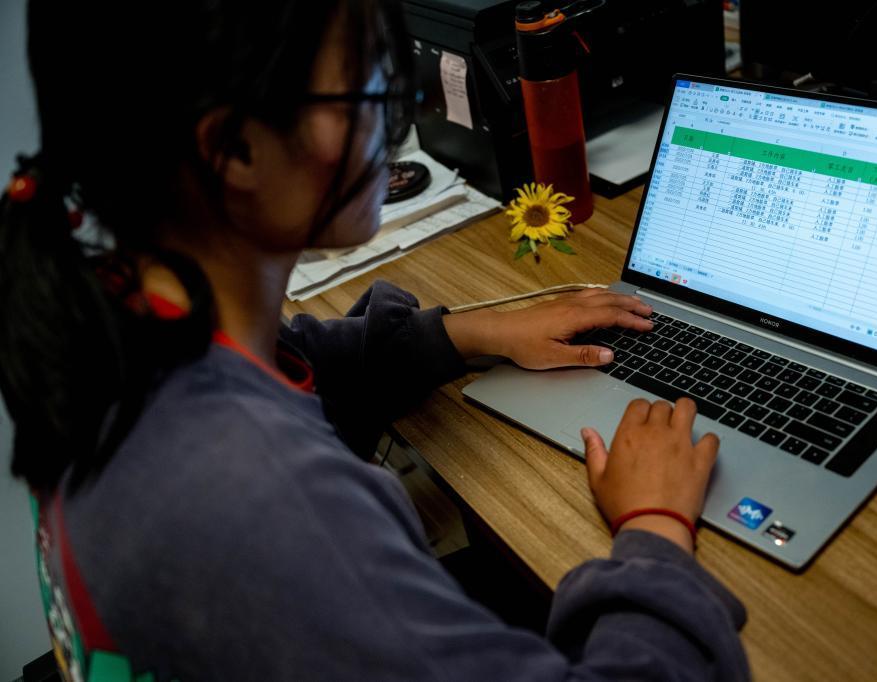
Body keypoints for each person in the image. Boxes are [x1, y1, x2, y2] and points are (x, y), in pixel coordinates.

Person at [0, 1, 750, 680]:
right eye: (366, 89)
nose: (393, 122)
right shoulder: (272, 505)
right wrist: (654, 527)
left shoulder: (104, 323)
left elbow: (300, 360)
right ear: (234, 150)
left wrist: (470, 332)